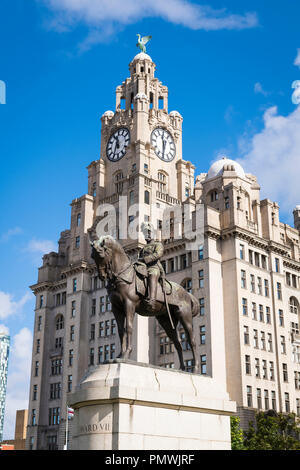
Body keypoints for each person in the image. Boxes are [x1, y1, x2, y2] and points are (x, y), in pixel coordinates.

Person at [139, 222, 164, 309]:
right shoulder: (142, 249)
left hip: (154, 267)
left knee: (152, 274)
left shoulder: (158, 244)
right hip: (142, 268)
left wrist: (145, 259)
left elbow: (158, 254)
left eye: (149, 232)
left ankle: (152, 299)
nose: (147, 234)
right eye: (145, 233)